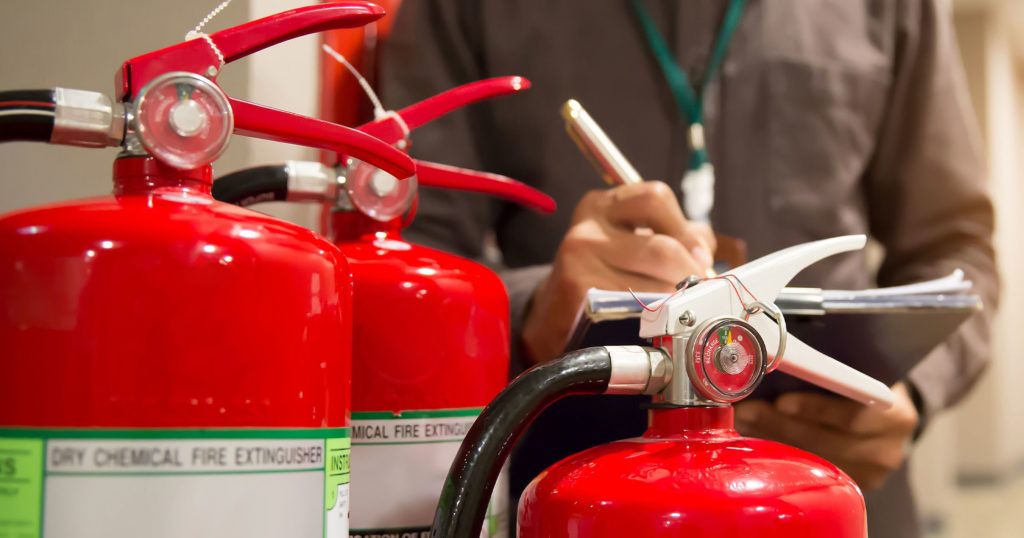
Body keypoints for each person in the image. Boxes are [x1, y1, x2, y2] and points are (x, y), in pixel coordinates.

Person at [378, 1, 998, 537]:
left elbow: (958, 245)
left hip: (835, 501)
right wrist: (533, 309)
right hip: (577, 504)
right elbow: (404, 250)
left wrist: (909, 397)